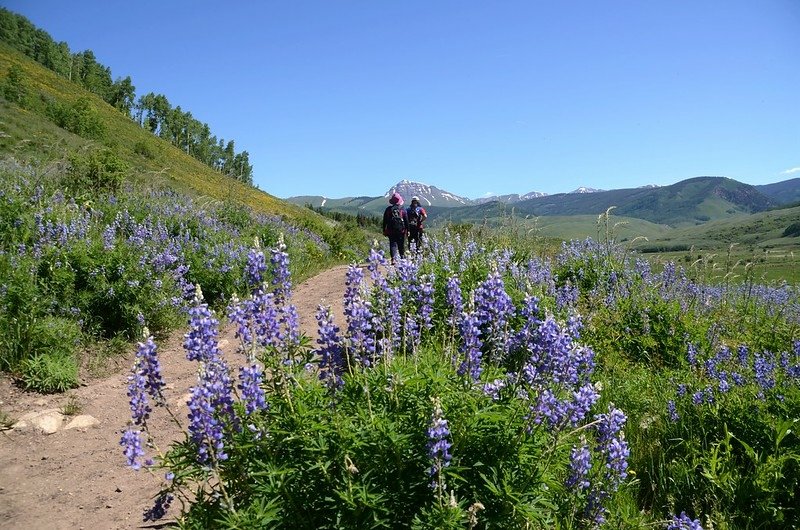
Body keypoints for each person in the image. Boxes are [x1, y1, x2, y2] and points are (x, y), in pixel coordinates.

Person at [382, 192, 408, 264]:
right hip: (401, 230)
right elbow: (406, 221)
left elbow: (385, 221)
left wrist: (384, 230)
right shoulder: (402, 209)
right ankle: (402, 258)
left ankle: (393, 259)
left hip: (391, 229)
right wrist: (408, 230)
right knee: (401, 244)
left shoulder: (388, 209)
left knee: (393, 244)